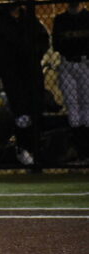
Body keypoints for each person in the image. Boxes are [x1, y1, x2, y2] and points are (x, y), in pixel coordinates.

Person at [0, 0, 49, 165]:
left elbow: (43, 39)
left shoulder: (29, 18)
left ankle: (34, 149)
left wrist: (35, 55)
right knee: (21, 114)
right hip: (12, 75)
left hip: (32, 73)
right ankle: (24, 147)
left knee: (36, 110)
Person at [52, 1, 89, 161]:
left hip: (85, 63)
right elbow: (57, 44)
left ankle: (86, 150)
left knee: (86, 106)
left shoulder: (87, 17)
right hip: (67, 63)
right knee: (72, 106)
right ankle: (80, 149)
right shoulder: (60, 19)